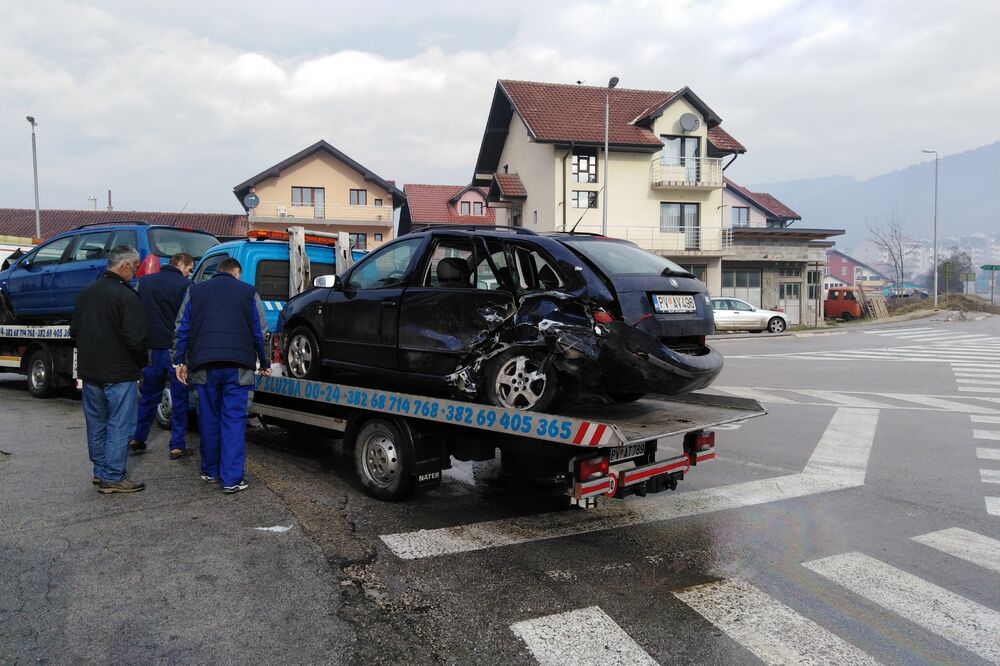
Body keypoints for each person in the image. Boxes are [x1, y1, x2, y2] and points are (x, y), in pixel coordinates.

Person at [173, 257, 270, 494]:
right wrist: (264, 362)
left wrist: (179, 361)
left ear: (218, 272)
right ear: (236, 273)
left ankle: (210, 470)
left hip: (204, 365)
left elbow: (182, 328)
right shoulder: (248, 292)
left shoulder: (195, 291)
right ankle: (232, 479)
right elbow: (260, 332)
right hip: (238, 366)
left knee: (209, 418)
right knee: (233, 420)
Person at [70, 245, 148, 494]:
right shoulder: (126, 296)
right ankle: (113, 476)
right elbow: (135, 339)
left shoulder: (87, 292)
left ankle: (100, 471)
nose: (135, 273)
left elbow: (74, 331)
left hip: (91, 370)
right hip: (119, 371)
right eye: (134, 268)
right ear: (124, 265)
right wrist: (141, 364)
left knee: (97, 423)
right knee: (120, 424)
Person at [128, 252, 195, 459]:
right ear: (180, 264)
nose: (189, 273)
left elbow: (134, 312)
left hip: (150, 349)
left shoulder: (144, 283)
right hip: (175, 351)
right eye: (189, 269)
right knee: (180, 398)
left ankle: (138, 438)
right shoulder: (186, 286)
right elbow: (189, 318)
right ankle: (176, 446)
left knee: (148, 396)